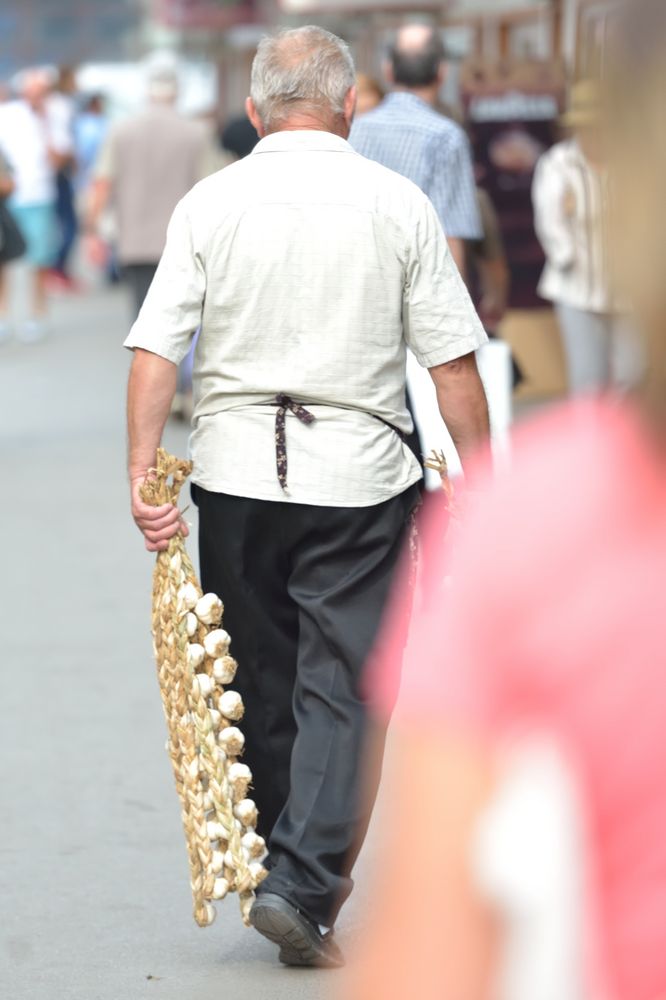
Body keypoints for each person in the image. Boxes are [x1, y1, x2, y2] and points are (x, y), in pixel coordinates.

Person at [124, 25, 489, 969]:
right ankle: (303, 881)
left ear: (253, 110)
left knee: (262, 675)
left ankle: (294, 871)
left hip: (235, 474)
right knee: (351, 683)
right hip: (358, 475)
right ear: (350, 104)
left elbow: (157, 348)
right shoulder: (396, 202)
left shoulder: (212, 202)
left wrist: (140, 471)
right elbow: (452, 362)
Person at [348, 2, 666, 997]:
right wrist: (477, 293)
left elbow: (428, 962)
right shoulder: (443, 139)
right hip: (428, 298)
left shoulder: (550, 528)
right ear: (438, 73)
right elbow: (461, 231)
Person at [532, 79, 639, 395]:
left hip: (630, 288)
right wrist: (567, 256)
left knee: (635, 374)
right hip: (576, 286)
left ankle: (627, 440)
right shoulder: (558, 163)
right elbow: (550, 222)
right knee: (588, 379)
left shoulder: (631, 160)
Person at [350, 24, 481, 278]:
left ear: (388, 70)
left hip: (359, 282)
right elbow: (450, 233)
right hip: (419, 286)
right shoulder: (446, 137)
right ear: (442, 72)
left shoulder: (354, 130)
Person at [85, 65, 214, 320]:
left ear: (147, 93)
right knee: (179, 315)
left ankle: (146, 360)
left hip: (134, 239)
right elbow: (210, 187)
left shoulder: (121, 130)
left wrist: (92, 232)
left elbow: (102, 183)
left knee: (143, 314)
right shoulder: (195, 132)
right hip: (184, 239)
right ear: (177, 93)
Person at [47, 66, 79, 290]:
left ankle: (57, 268)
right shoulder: (61, 105)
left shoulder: (54, 104)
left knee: (61, 224)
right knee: (69, 225)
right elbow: (62, 143)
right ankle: (57, 268)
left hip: (55, 172)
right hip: (59, 171)